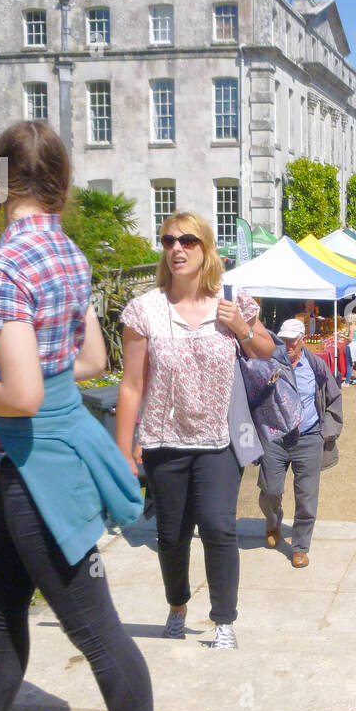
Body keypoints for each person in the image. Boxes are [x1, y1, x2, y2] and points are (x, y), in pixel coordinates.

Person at [0, 123, 150, 711]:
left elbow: (21, 396)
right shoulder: (68, 254)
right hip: (57, 451)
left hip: (33, 466)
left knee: (97, 632)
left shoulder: (4, 267)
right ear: (60, 180)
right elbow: (91, 363)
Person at [116, 210, 275, 651]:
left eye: (187, 241)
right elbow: (132, 385)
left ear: (206, 248)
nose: (177, 249)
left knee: (218, 526)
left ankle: (224, 619)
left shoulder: (232, 300)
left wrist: (241, 328)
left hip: (217, 438)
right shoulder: (144, 310)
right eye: (168, 241)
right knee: (171, 535)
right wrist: (123, 448)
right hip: (164, 439)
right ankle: (177, 605)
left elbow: (266, 350)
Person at [259, 319, 343, 568]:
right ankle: (273, 521)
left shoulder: (315, 364)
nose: (287, 346)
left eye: (292, 341)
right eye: (283, 340)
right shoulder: (270, 361)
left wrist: (325, 432)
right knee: (270, 490)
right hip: (275, 438)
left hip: (308, 438)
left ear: (303, 339)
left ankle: (300, 546)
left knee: (306, 496)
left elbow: (334, 398)